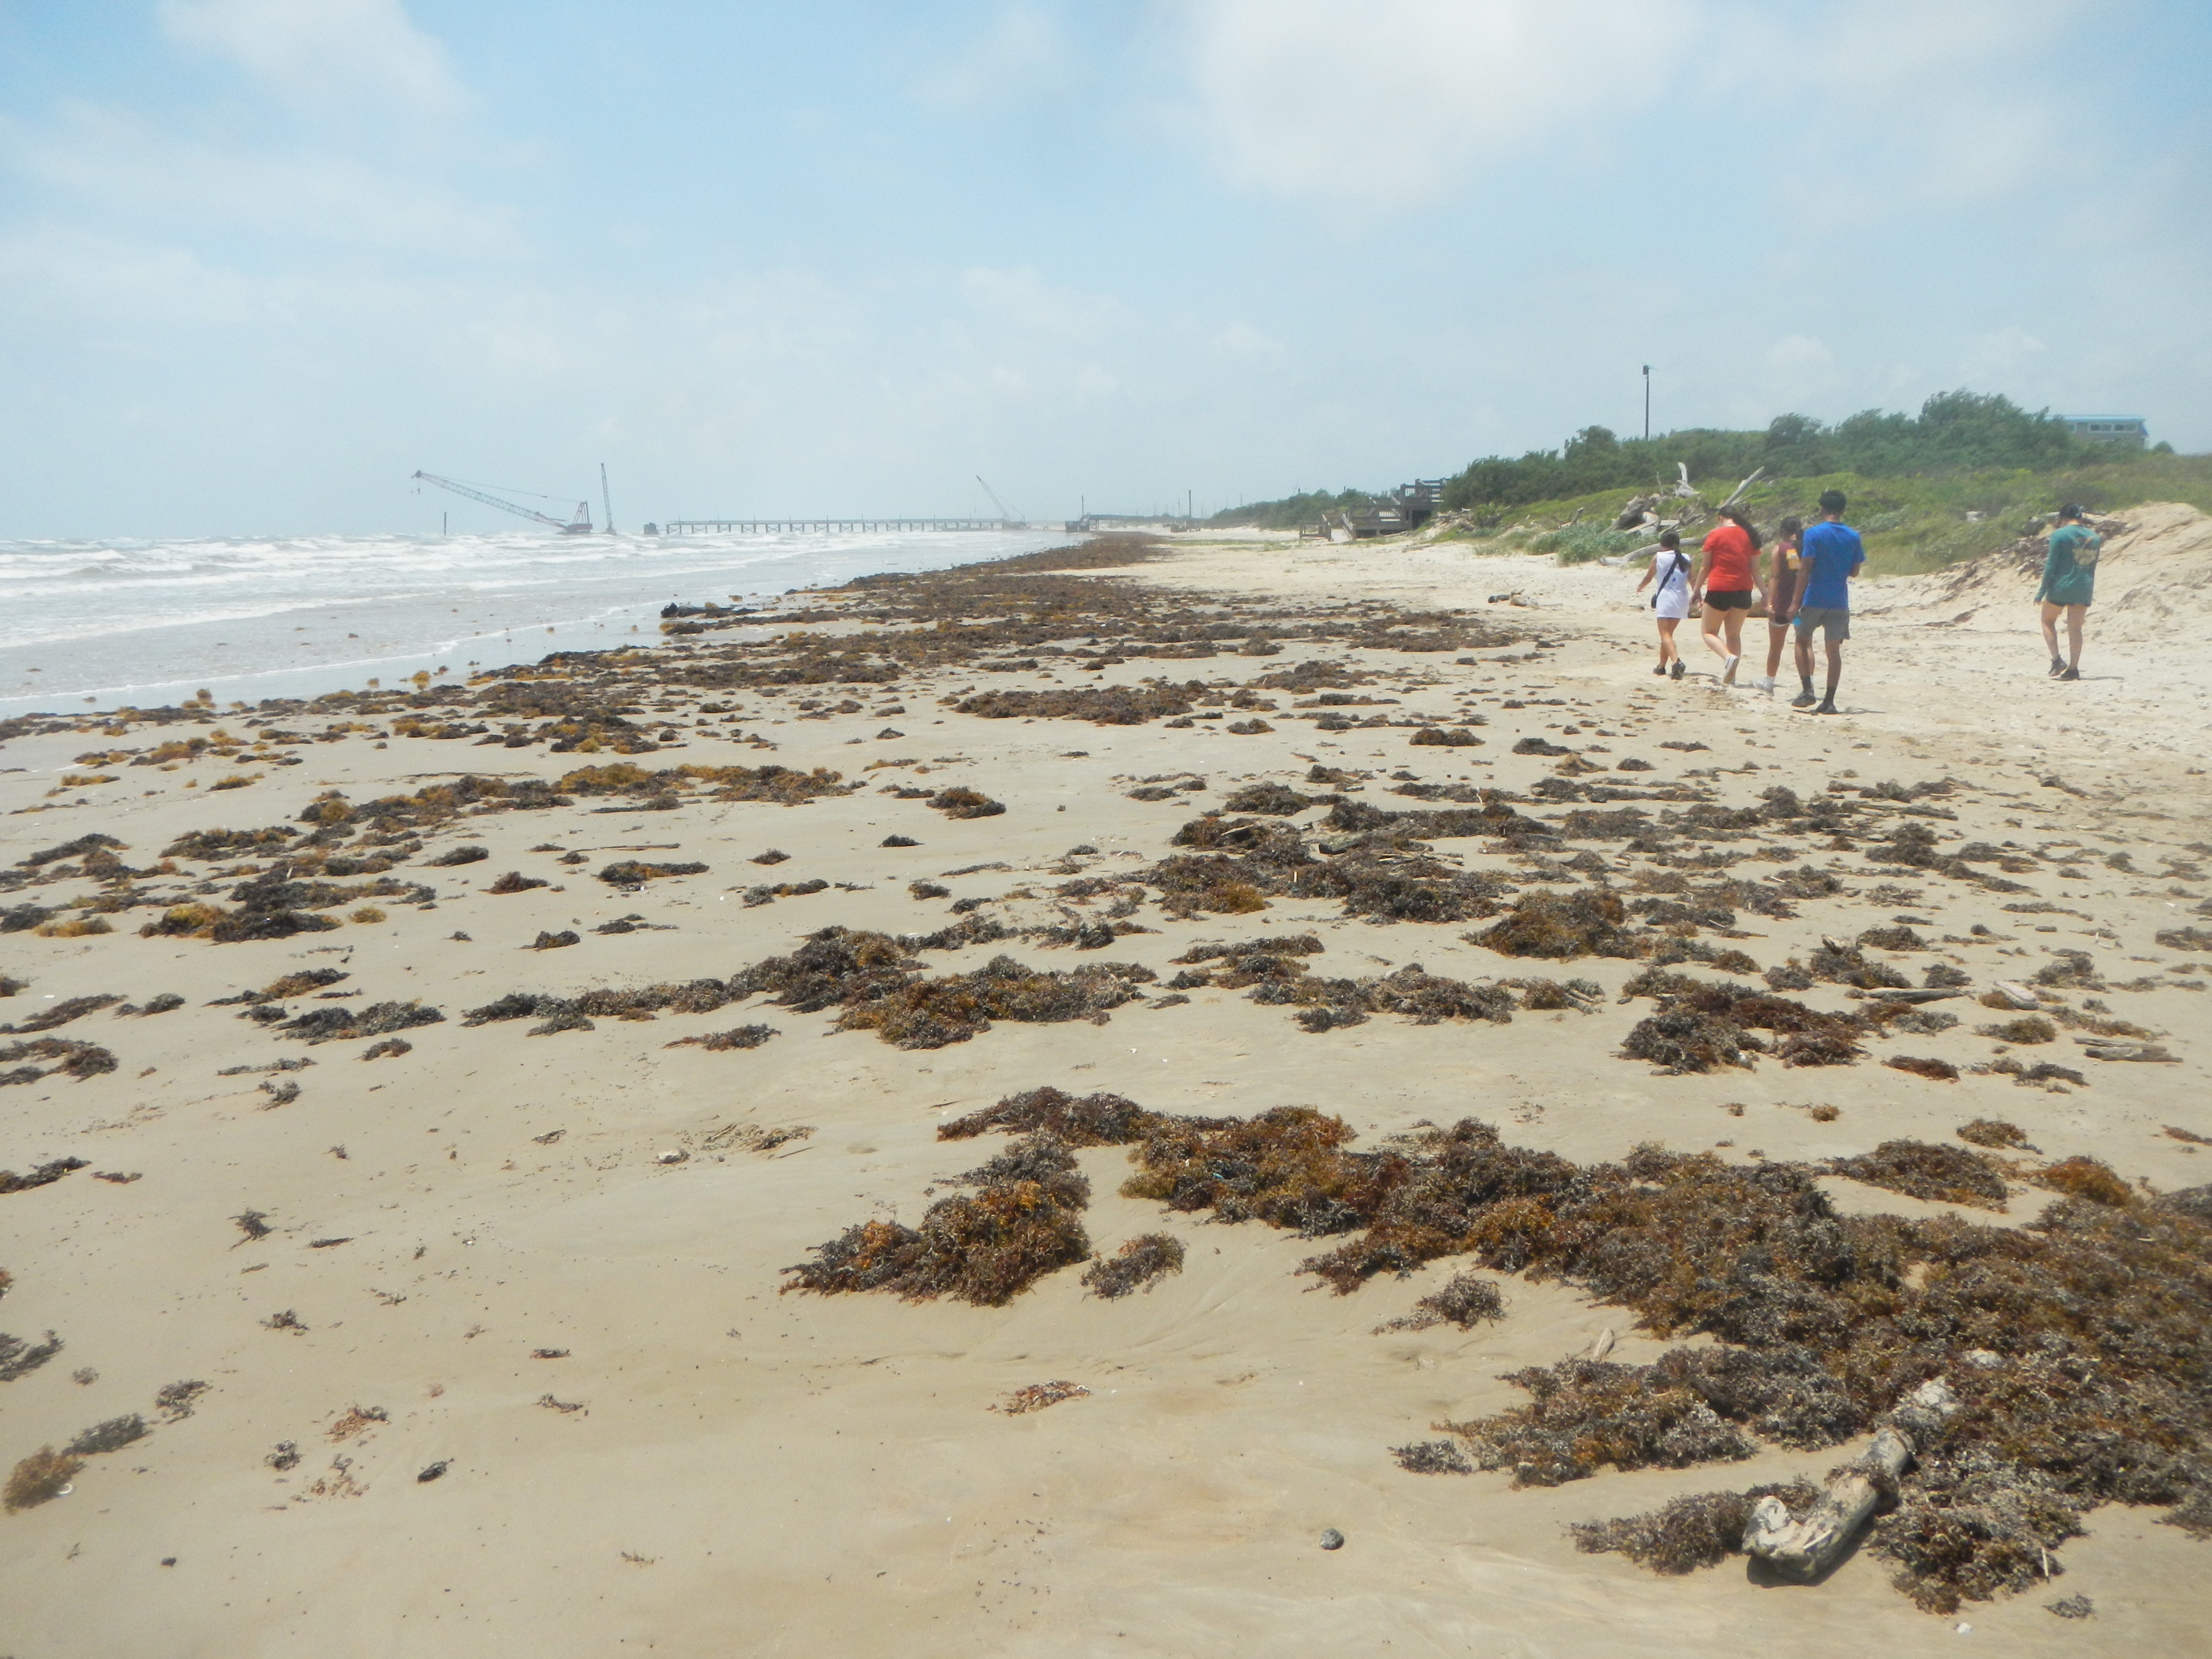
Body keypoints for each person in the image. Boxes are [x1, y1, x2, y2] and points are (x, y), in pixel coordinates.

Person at [1791, 490, 1864, 714]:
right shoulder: (1853, 536)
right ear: (1842, 510)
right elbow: (1854, 572)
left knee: (1802, 641)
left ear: (1822, 508)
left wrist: (1795, 601)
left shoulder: (1813, 534)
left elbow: (1805, 569)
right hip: (1839, 600)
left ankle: (1807, 690)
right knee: (1833, 652)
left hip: (1813, 597)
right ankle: (1829, 700)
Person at [1693, 506, 1763, 686]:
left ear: (1721, 518)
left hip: (1720, 587)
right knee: (1733, 635)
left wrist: (1696, 590)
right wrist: (1765, 593)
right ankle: (1731, 676)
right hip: (1744, 590)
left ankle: (1727, 658)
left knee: (1708, 632)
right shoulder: (1749, 535)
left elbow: (1705, 567)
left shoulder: (1715, 535)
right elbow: (1755, 569)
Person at [2036, 503, 2100, 682]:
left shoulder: (2059, 535)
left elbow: (2051, 565)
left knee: (2047, 621)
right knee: (2075, 628)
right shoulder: (2094, 537)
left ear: (2062, 517)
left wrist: (2041, 591)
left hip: (2061, 586)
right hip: (2083, 587)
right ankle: (2074, 669)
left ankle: (2057, 660)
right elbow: (2091, 565)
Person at [1754, 516, 1804, 697]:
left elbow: (1775, 577)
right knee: (1804, 643)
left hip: (1782, 604)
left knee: (1776, 645)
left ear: (1783, 531)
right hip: (1801, 605)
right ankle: (1808, 684)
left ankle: (1769, 681)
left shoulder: (1781, 549)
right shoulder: (1806, 547)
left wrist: (1769, 602)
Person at [1634, 529, 1693, 678]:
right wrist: (1698, 595)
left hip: (1666, 599)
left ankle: (1676, 662)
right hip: (1682, 598)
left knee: (1665, 634)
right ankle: (1661, 667)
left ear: (1662, 544)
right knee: (1668, 636)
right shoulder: (1686, 557)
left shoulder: (1659, 557)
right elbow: (1693, 579)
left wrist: (1640, 587)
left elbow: (1649, 577)